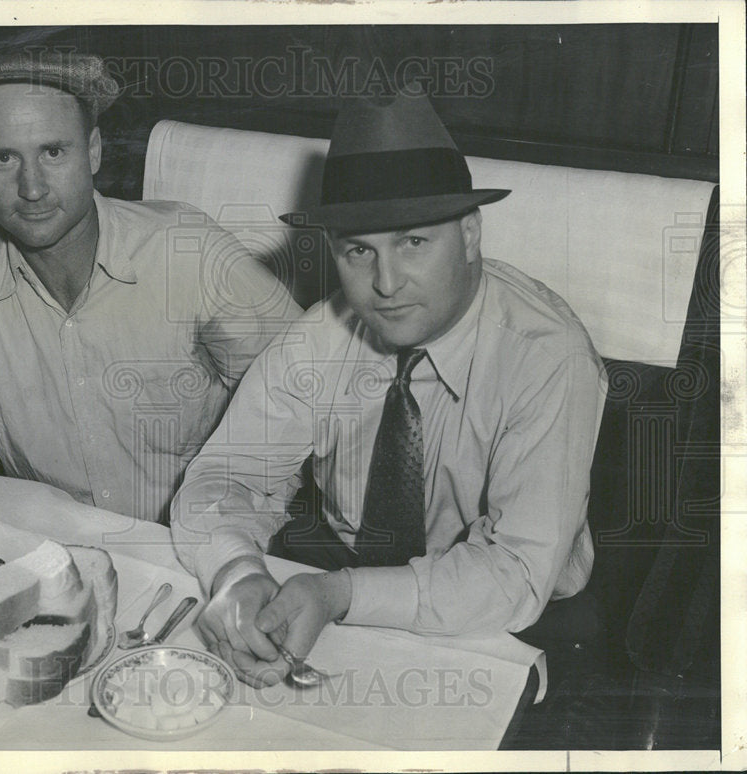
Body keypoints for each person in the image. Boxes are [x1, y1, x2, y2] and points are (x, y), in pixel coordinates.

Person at [170, 92, 606, 687]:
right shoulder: (321, 338)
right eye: (359, 250)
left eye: (413, 243)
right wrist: (237, 572)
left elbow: (515, 572)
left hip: (520, 612)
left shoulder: (548, 357)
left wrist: (341, 595)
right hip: (338, 568)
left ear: (471, 234)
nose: (385, 284)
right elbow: (222, 477)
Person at [0, 50, 300, 558]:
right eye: (3, 157)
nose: (31, 188)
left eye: (53, 152)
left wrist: (233, 542)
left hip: (198, 552)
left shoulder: (189, 250)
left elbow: (305, 395)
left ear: (93, 151)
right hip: (56, 556)